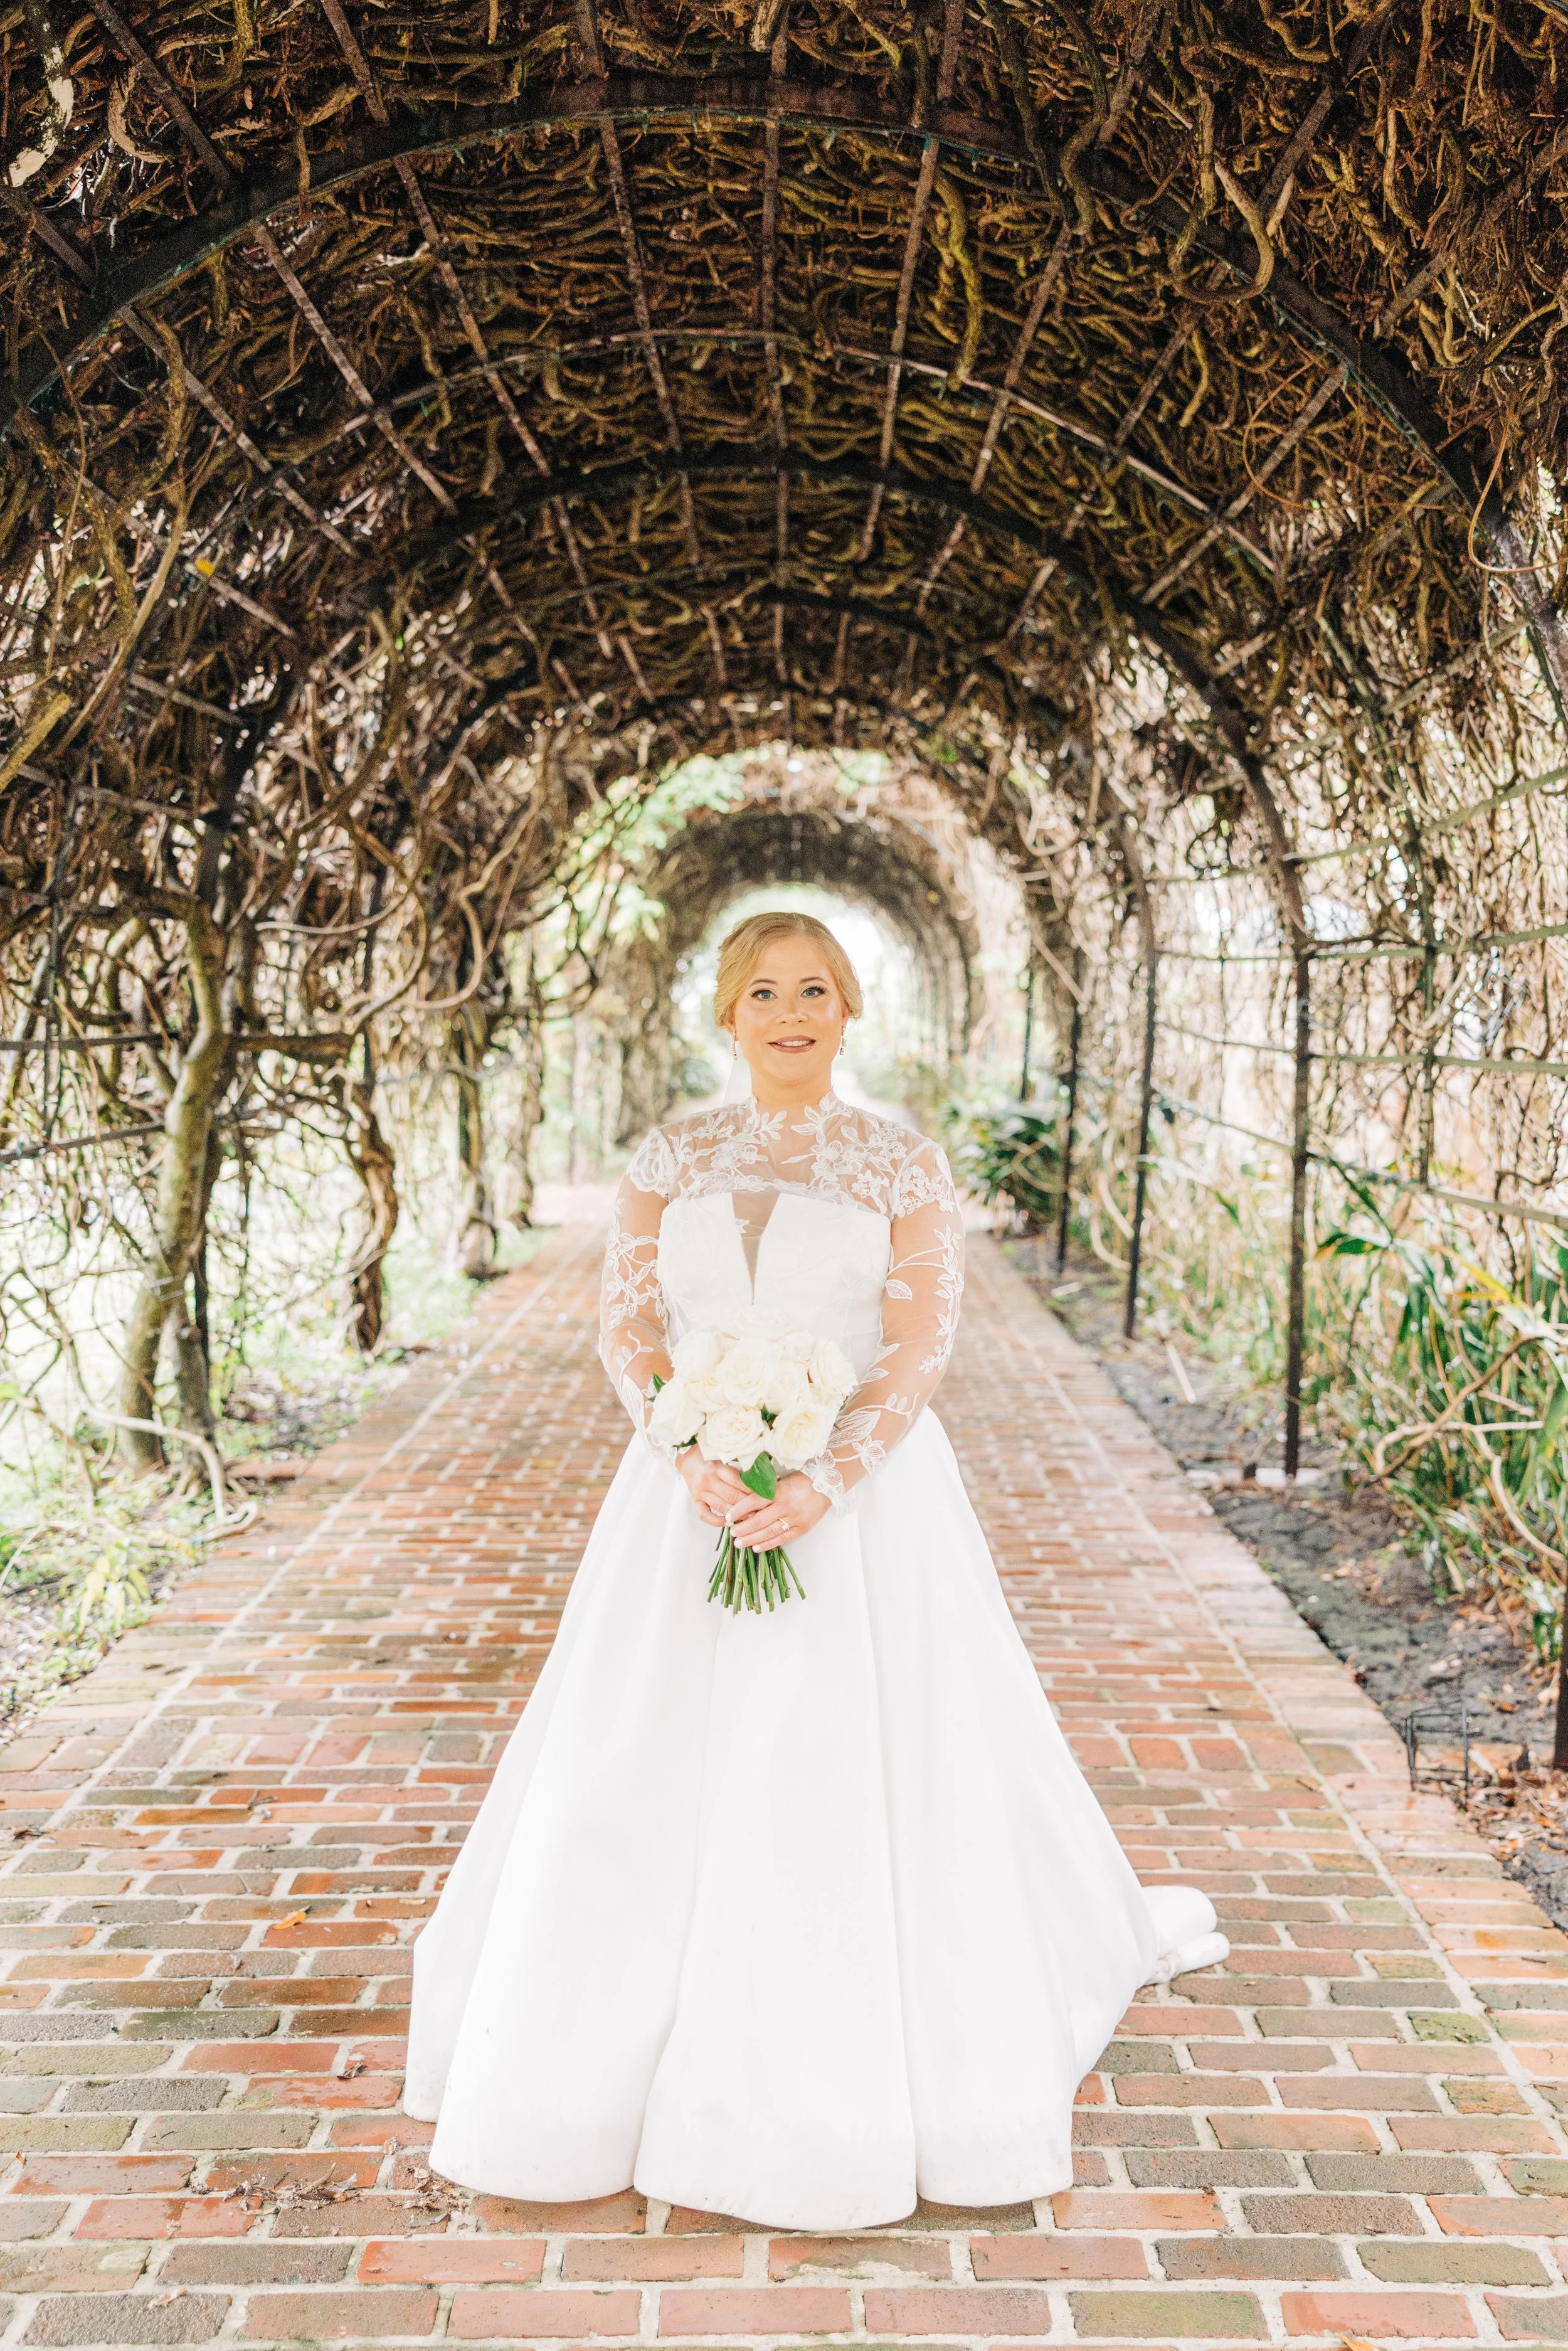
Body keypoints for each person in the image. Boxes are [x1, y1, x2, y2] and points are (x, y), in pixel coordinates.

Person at [404, 908, 1226, 2229]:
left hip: (863, 1506)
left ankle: (844, 2065)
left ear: (848, 1010)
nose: (790, 1013)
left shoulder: (897, 1161)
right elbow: (628, 1324)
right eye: (763, 992)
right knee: (630, 1761)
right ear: (725, 1016)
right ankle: (592, 2064)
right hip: (685, 1497)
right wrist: (689, 1451)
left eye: (815, 990)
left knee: (844, 1755)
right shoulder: (668, 1155)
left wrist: (827, 1479)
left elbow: (913, 1345)